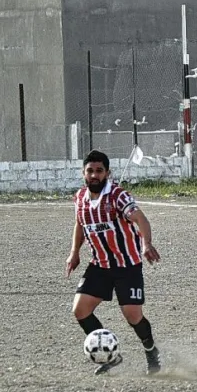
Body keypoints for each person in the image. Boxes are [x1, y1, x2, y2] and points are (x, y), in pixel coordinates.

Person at [66, 150, 162, 375]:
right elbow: (80, 224)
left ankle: (151, 351)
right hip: (99, 265)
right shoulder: (80, 198)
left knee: (132, 315)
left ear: (107, 173)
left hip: (127, 266)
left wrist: (146, 244)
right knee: (80, 310)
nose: (94, 175)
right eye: (90, 171)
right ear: (83, 173)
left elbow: (140, 218)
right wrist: (74, 252)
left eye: (99, 171)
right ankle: (111, 355)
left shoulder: (118, 196)